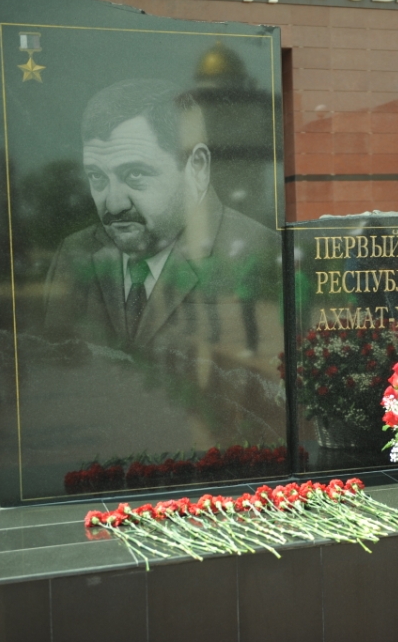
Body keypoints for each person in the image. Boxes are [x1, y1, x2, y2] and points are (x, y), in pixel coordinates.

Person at [38, 79, 282, 458]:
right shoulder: (76, 253)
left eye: (135, 174)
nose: (113, 204)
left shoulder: (257, 250)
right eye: (97, 177)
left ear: (197, 167)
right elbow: (57, 367)